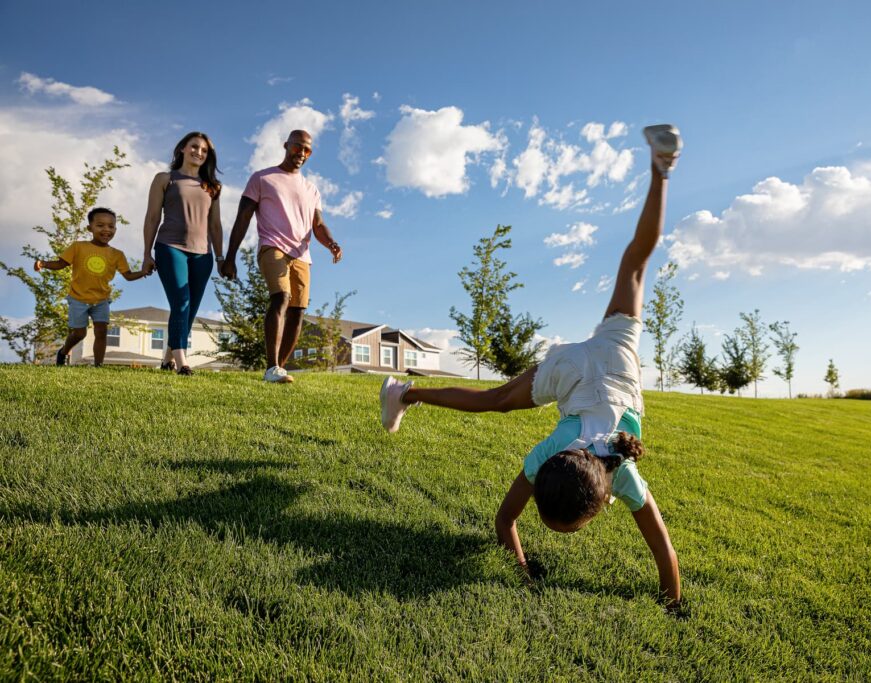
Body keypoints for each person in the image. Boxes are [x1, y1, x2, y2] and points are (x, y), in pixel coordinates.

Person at [380, 125, 684, 610]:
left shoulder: (589, 462)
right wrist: (670, 600)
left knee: (633, 267)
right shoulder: (585, 464)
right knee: (492, 400)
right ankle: (405, 393)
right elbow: (659, 550)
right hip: (590, 367)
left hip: (609, 359)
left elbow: (508, 523)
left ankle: (661, 170)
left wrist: (673, 602)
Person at [220, 130, 343, 383]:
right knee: (281, 298)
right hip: (272, 246)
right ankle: (271, 367)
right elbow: (243, 218)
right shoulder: (262, 178)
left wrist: (331, 242)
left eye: (307, 150)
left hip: (302, 254)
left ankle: (280, 369)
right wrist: (229, 257)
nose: (301, 154)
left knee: (298, 311)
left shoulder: (311, 189)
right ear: (286, 146)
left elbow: (317, 224)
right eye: (297, 147)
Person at [141, 131, 224, 376]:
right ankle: (181, 360)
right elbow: (152, 217)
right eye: (194, 147)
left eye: (204, 150)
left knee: (190, 308)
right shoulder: (165, 179)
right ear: (182, 149)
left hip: (202, 255)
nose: (199, 152)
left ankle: (167, 359)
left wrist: (220, 258)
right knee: (181, 302)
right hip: (170, 247)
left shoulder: (213, 187)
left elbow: (215, 226)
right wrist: (147, 254)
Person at [35, 207, 149, 366]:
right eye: (100, 225)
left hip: (101, 300)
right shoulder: (78, 247)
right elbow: (61, 264)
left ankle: (98, 365)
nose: (106, 230)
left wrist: (143, 272)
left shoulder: (117, 254)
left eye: (111, 226)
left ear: (115, 229)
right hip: (78, 298)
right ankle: (63, 352)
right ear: (90, 228)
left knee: (101, 331)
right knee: (79, 334)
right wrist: (44, 264)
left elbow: (128, 275)